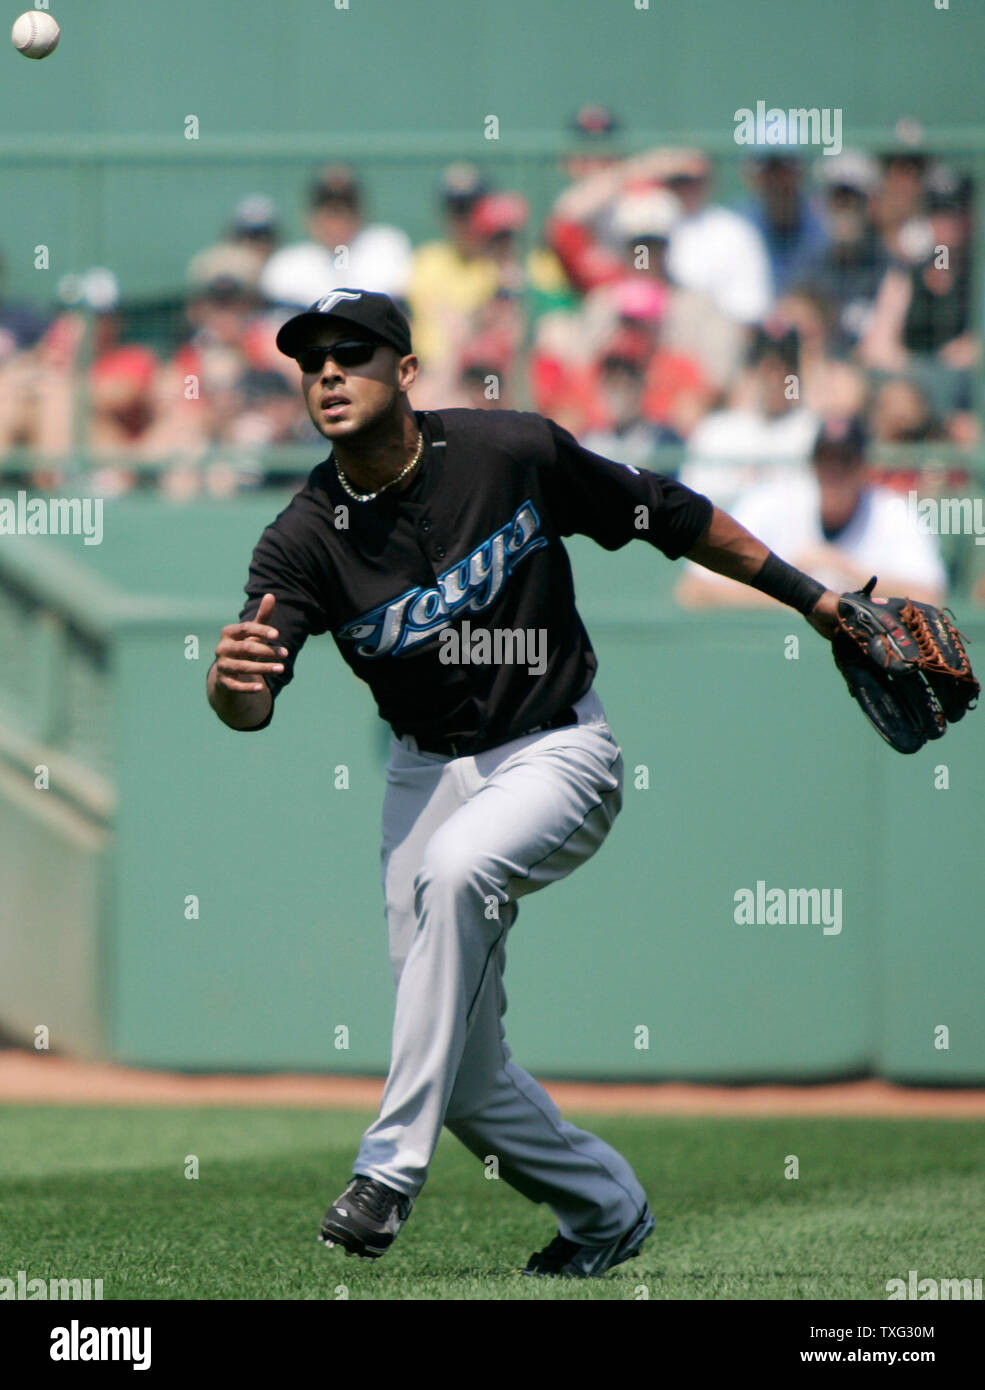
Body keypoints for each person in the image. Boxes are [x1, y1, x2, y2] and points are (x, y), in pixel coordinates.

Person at [206, 287, 843, 1278]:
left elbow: (668, 514)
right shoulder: (303, 535)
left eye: (353, 352)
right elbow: (252, 701)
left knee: (461, 870)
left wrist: (816, 601)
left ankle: (386, 1171)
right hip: (422, 776)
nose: (328, 372)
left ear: (405, 372)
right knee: (465, 1080)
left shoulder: (510, 451)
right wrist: (228, 690)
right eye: (310, 359)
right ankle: (607, 1212)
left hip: (557, 750)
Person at [676, 417, 946, 609]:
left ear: (864, 467)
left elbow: (930, 597)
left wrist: (845, 571)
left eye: (845, 461)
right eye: (824, 461)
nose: (833, 472)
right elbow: (695, 590)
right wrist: (794, 591)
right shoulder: (771, 501)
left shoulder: (892, 511)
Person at [259, 164, 412, 310]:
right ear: (310, 218)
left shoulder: (386, 248)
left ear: (361, 213)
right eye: (329, 213)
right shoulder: (286, 266)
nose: (336, 223)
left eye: (344, 212)